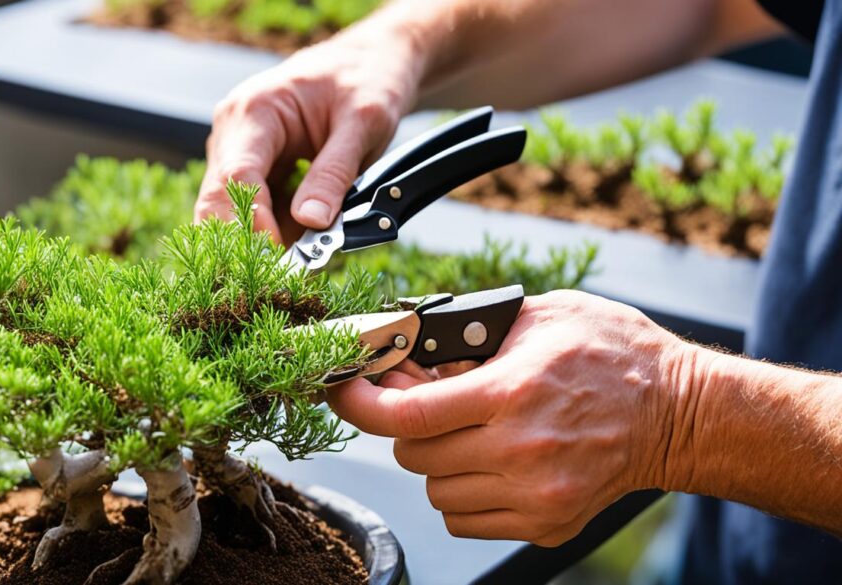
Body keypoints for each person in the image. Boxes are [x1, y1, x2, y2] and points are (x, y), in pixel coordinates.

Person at [194, 1, 842, 583]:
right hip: (740, 539)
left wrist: (686, 413)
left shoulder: (686, 415)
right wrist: (397, 46)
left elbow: (681, 412)